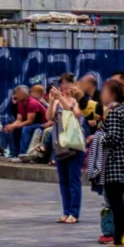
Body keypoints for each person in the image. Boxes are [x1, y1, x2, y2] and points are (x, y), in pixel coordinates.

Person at [93, 75, 124, 247]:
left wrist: (97, 137)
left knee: (116, 204)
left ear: (112, 94)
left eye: (104, 92)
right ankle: (122, 238)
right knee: (118, 201)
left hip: (114, 165)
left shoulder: (114, 112)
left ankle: (121, 239)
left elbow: (113, 137)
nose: (102, 95)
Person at [51, 79, 87, 223]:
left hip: (74, 144)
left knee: (73, 180)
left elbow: (74, 114)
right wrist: (52, 101)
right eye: (63, 84)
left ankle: (74, 212)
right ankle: (66, 211)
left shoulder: (79, 100)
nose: (65, 87)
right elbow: (49, 117)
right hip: (60, 143)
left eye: (68, 84)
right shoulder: (57, 101)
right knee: (63, 181)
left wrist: (61, 99)